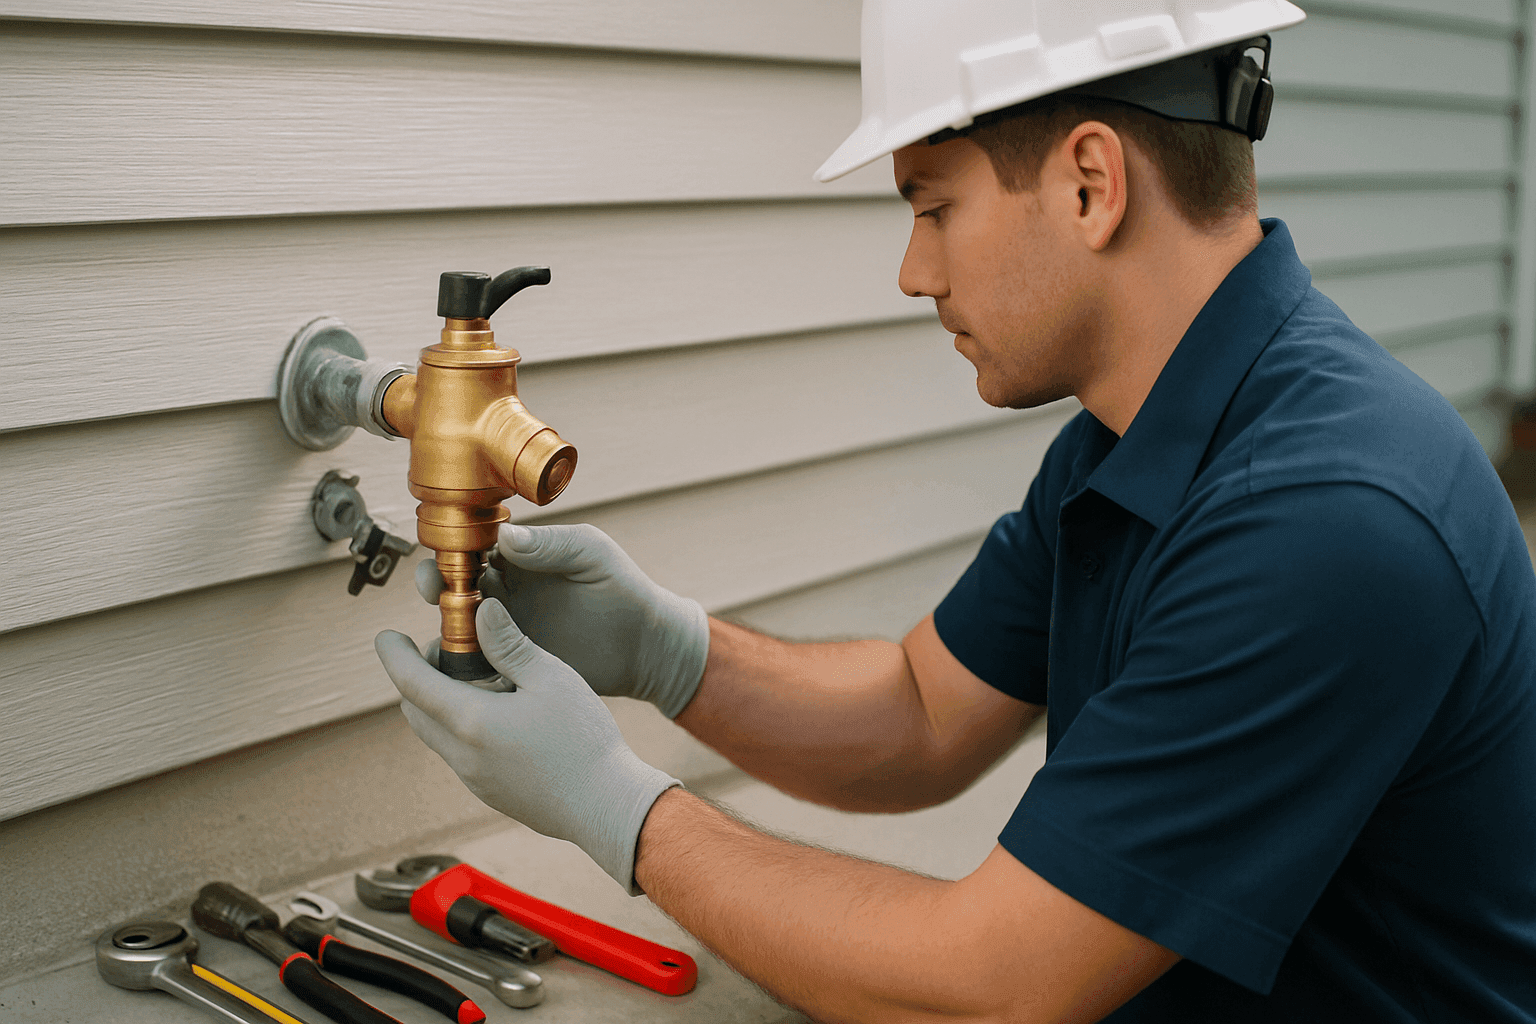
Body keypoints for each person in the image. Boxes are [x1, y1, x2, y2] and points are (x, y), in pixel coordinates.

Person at [375, 1, 1536, 1020]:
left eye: (933, 206)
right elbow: (925, 712)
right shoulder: (1137, 436)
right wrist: (666, 651)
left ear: (1090, 185)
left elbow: (991, 990)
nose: (914, 271)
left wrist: (619, 809)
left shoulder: (1324, 520)